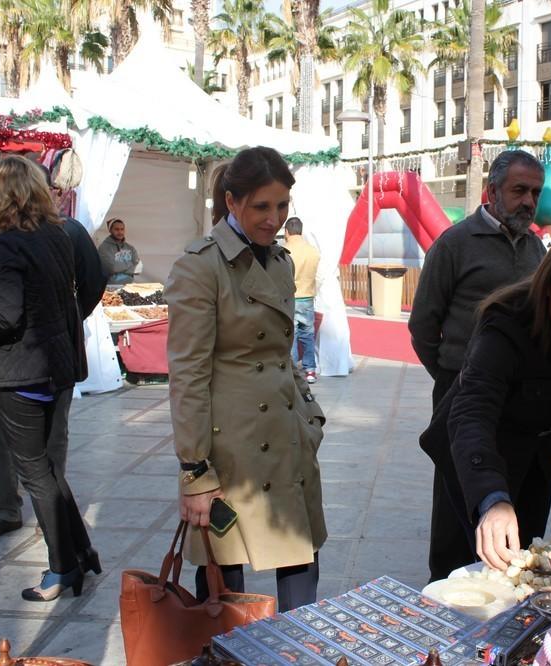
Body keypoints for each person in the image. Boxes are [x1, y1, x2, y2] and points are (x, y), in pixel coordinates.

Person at [166, 147, 326, 611]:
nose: (274, 218)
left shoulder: (281, 261)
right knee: (224, 580)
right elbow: (188, 375)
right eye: (261, 206)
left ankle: (300, 655)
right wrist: (195, 471)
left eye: (282, 206)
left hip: (286, 431)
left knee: (301, 559)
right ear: (232, 202)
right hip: (230, 447)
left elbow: (282, 350)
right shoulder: (200, 266)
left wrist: (310, 412)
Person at [419, 231, 551, 571]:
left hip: (535, 454)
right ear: (548, 287)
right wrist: (491, 498)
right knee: (461, 569)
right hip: (475, 459)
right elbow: (472, 411)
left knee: (522, 559)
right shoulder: (505, 324)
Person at [0, 155, 98, 601]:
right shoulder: (56, 235)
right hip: (55, 369)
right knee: (47, 470)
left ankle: (62, 568)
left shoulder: (8, 244)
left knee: (36, 473)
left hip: (21, 373)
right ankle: (81, 552)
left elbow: (4, 316)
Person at [408, 150, 546, 582]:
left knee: (514, 502)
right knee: (457, 506)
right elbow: (423, 326)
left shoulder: (536, 247)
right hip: (461, 392)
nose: (528, 201)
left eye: (534, 193)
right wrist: (454, 376)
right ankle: (445, 597)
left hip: (521, 400)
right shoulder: (454, 244)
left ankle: (511, 592)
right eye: (518, 190)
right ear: (492, 191)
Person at [0, 162, 106, 542]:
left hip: (43, 359)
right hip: (11, 361)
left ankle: (49, 512)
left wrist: (66, 319)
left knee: (49, 442)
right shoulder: (2, 236)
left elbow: (93, 280)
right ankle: (5, 507)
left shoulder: (68, 233)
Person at [283, 217, 320, 384]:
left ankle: (293, 371)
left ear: (287, 231)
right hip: (307, 297)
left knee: (291, 335)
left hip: (290, 298)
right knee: (307, 335)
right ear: (301, 231)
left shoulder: (284, 250)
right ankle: (310, 370)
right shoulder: (313, 251)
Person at [98, 218, 141, 285]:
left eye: (122, 229)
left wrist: (119, 267)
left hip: (129, 287)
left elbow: (138, 268)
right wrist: (130, 265)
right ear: (110, 230)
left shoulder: (130, 248)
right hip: (110, 288)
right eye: (116, 229)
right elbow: (112, 268)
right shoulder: (104, 248)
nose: (120, 232)